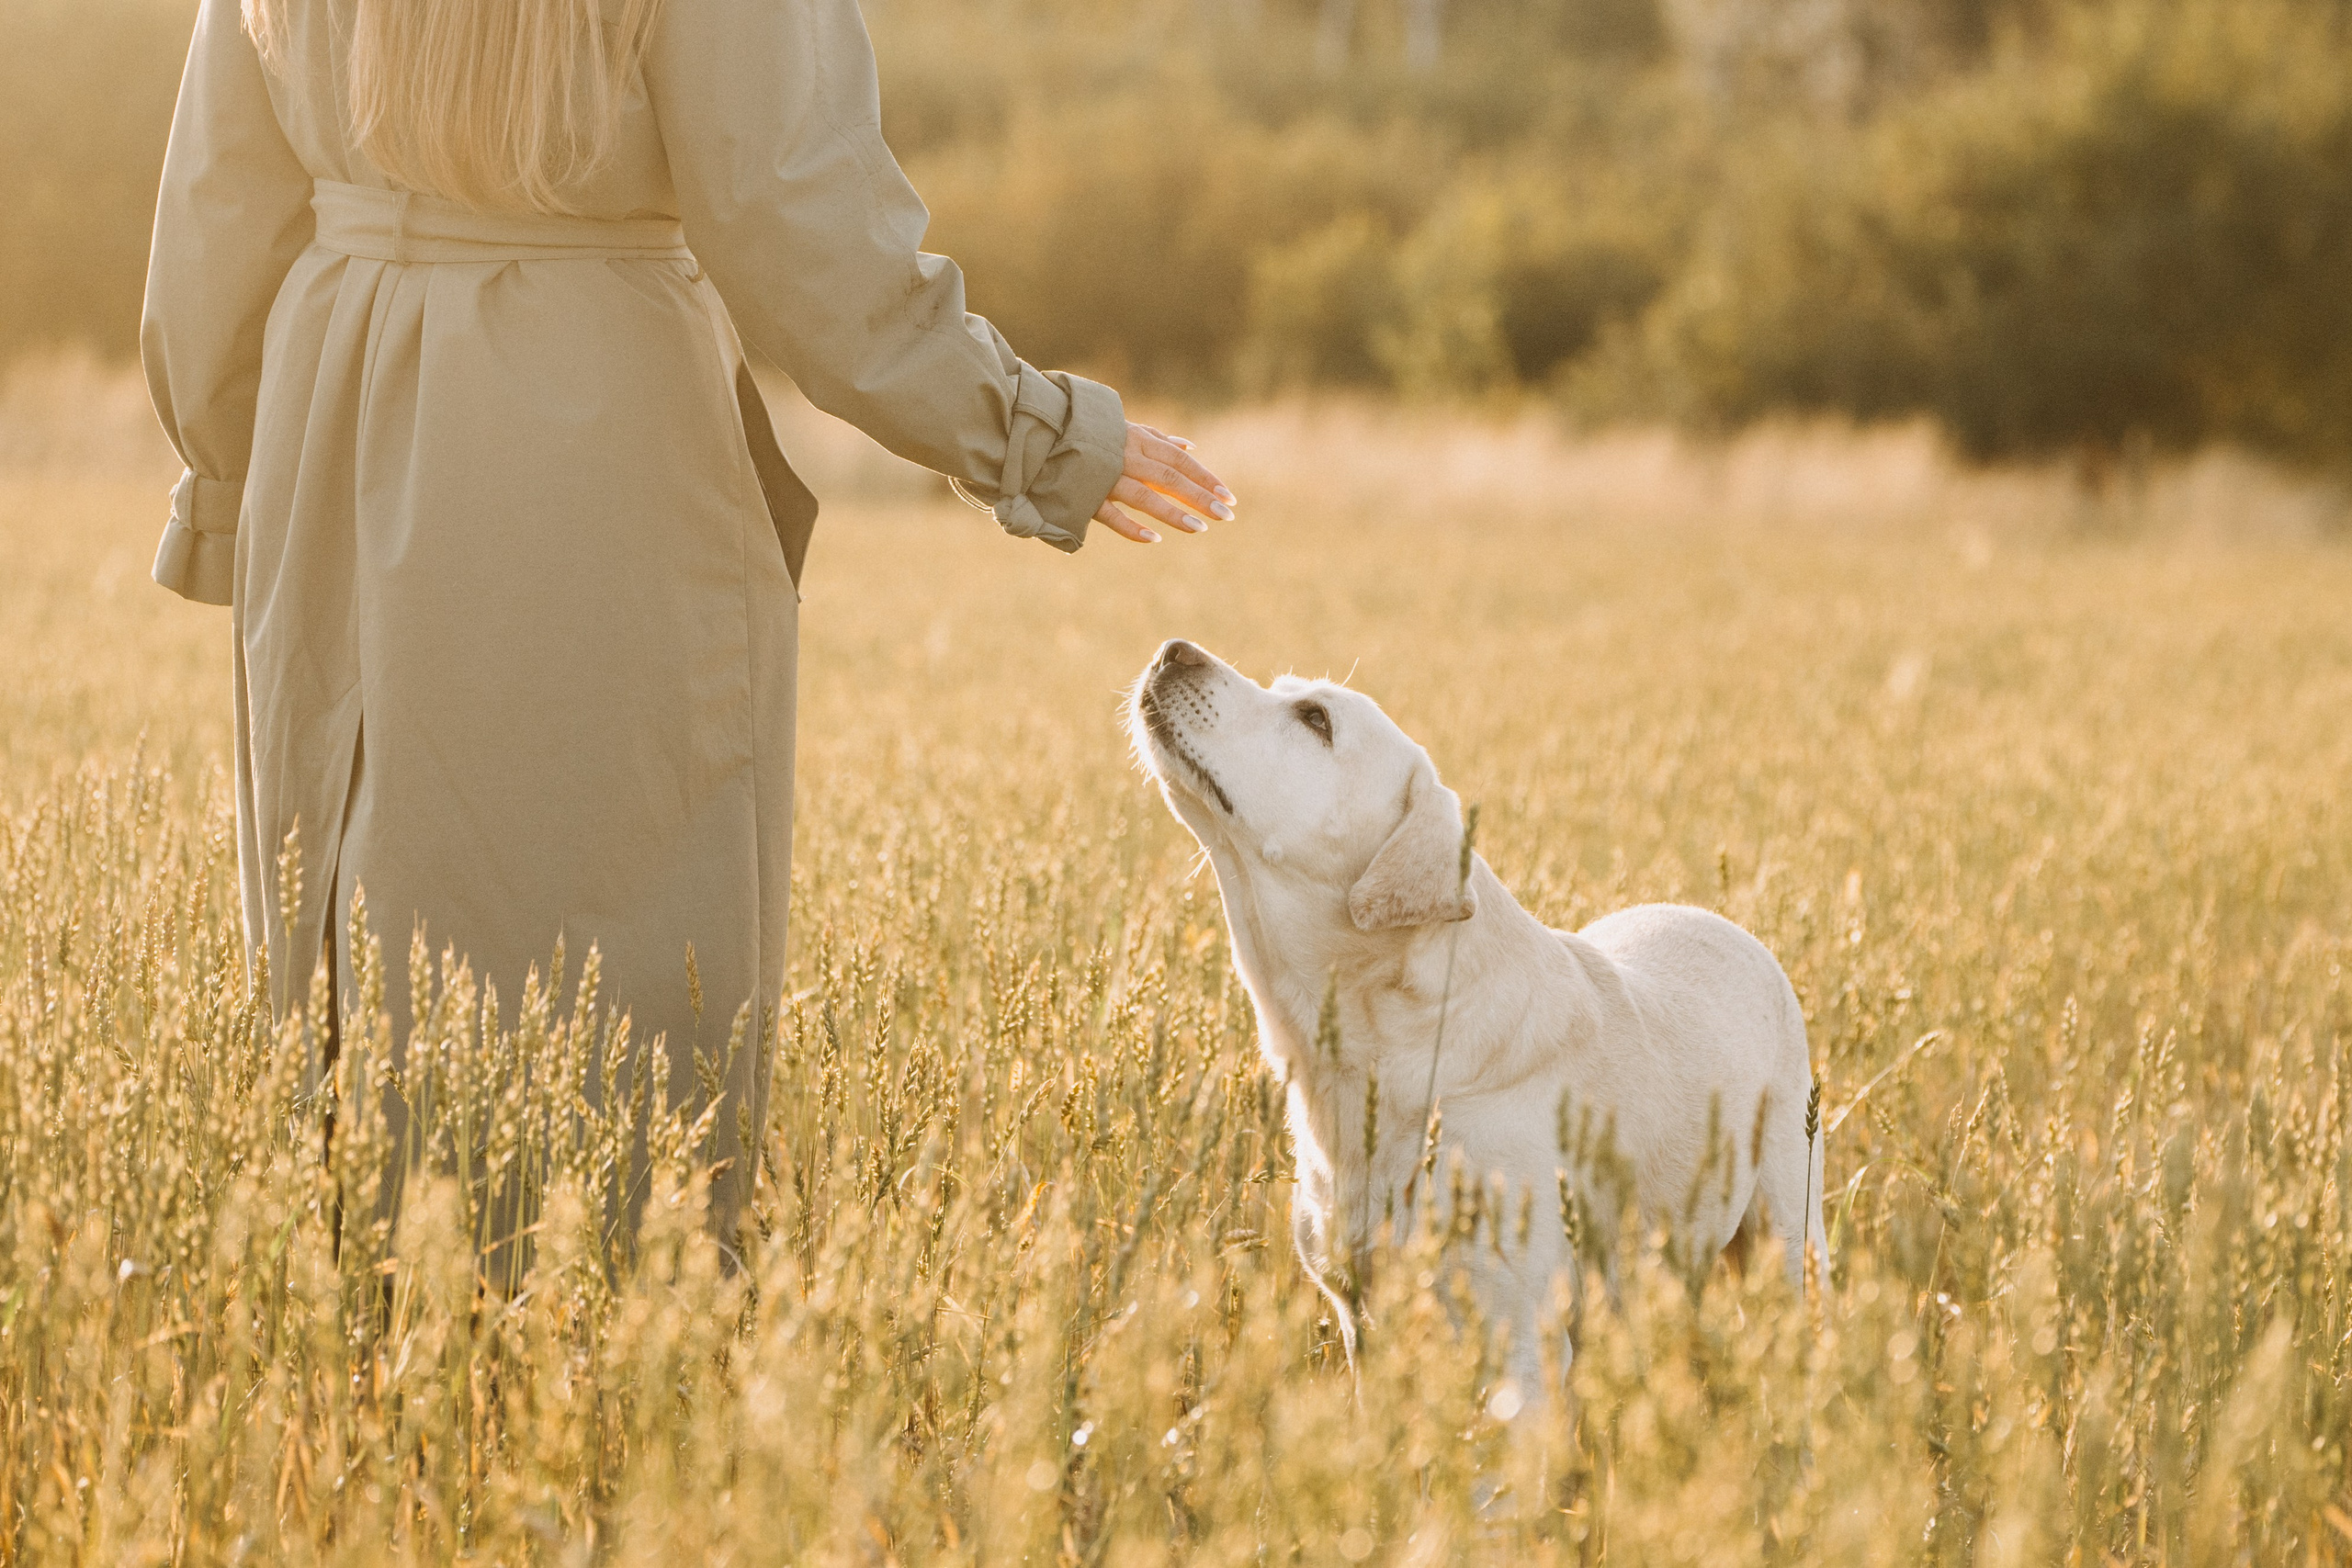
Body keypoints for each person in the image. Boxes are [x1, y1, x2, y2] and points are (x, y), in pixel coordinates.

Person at [141, 0, 1233, 1244]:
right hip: (590, 426)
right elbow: (803, 234)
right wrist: (1035, 429)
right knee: (604, 912)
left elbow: (213, 207)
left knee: (350, 915)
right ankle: (599, 1337)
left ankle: (371, 1339)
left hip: (326, 418)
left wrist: (232, 486)